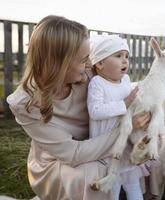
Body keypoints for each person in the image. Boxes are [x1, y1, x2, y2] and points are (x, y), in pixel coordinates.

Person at [6, 15, 152, 200]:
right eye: (84, 59)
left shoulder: (88, 75)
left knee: (149, 145)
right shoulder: (24, 103)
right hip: (58, 162)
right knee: (92, 173)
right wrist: (126, 127)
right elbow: (72, 154)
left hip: (99, 138)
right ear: (59, 64)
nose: (91, 64)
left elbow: (120, 88)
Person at [88, 34, 149, 200]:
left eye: (127, 56)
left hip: (125, 142)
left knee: (132, 184)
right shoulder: (97, 83)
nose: (125, 61)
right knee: (112, 188)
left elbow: (133, 101)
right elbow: (95, 110)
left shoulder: (126, 80)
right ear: (99, 63)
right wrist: (125, 103)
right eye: (118, 56)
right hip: (106, 145)